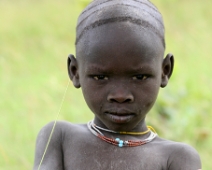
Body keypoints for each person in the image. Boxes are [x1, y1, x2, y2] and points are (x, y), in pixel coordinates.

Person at [33, 0, 202, 169]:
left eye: (140, 77)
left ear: (165, 71)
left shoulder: (176, 158)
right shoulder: (60, 138)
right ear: (75, 71)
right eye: (100, 77)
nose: (120, 96)